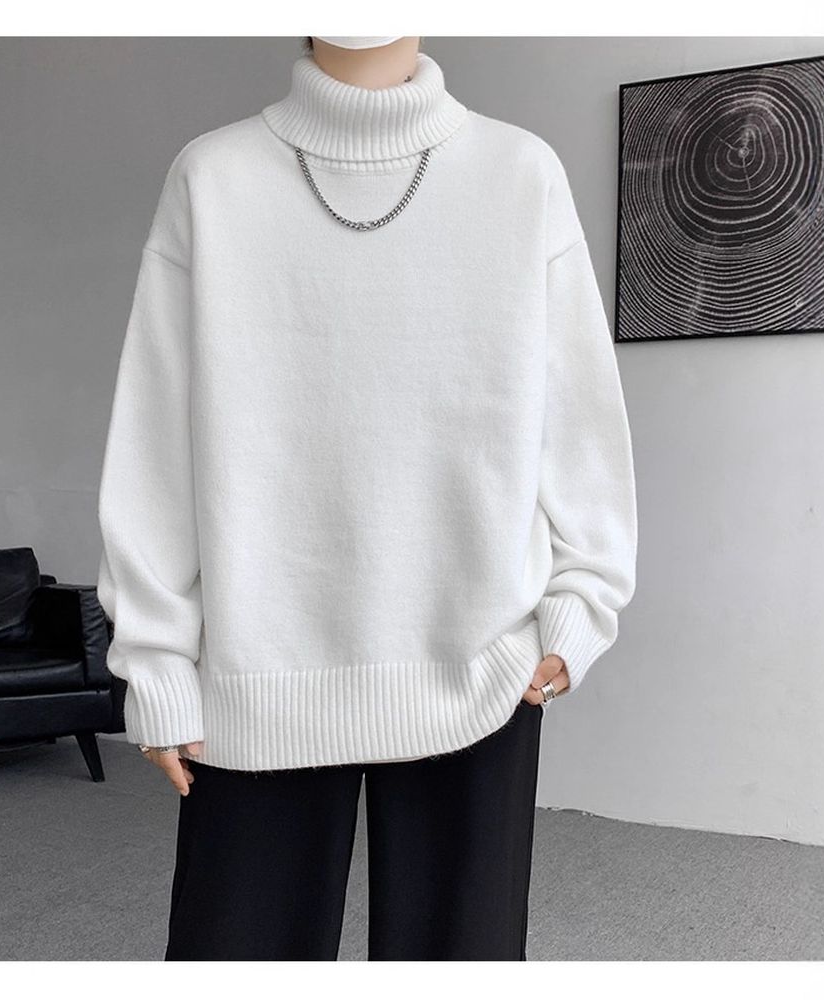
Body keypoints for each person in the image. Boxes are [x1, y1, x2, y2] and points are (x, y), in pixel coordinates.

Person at [95, 35, 638, 961]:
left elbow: (579, 415)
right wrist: (155, 661)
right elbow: (156, 442)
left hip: (481, 661)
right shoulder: (213, 178)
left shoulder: (520, 174)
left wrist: (584, 601)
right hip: (256, 672)